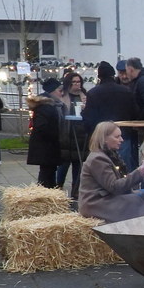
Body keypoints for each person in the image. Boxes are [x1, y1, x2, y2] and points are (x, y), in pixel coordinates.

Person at [78, 121, 144, 223]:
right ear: (105, 139)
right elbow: (115, 187)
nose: (121, 140)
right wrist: (140, 171)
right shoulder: (97, 159)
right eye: (117, 137)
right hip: (95, 204)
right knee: (135, 201)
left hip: (104, 199)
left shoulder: (107, 156)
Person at [84, 61, 137, 159]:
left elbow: (88, 118)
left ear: (99, 77)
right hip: (123, 134)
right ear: (113, 75)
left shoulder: (93, 93)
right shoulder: (126, 91)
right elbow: (134, 112)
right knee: (124, 167)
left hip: (101, 136)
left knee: (102, 165)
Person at [26, 78, 65, 188]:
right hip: (46, 146)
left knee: (49, 171)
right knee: (46, 173)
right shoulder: (46, 106)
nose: (61, 93)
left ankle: (48, 193)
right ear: (52, 91)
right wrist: (54, 135)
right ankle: (44, 194)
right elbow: (41, 126)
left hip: (48, 145)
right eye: (59, 90)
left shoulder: (50, 104)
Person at [57, 70, 88, 200]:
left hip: (81, 135)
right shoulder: (63, 96)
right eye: (74, 82)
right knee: (63, 164)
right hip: (66, 134)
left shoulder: (85, 96)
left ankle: (76, 190)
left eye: (78, 81)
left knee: (78, 164)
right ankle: (58, 188)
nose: (76, 84)